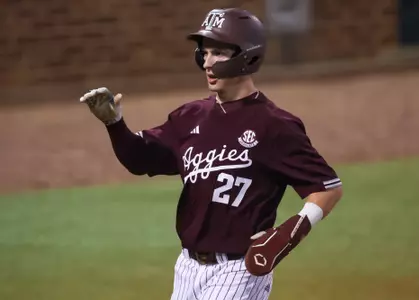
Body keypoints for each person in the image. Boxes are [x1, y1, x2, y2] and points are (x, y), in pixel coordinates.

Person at [80, 8, 343, 300]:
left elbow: (327, 188)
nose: (207, 62)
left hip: (240, 270)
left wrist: (286, 235)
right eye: (204, 53)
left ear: (247, 56)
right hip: (187, 268)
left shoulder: (275, 126)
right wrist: (114, 124)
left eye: (218, 52)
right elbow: (139, 159)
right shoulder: (189, 117)